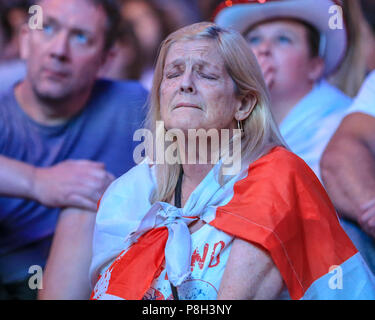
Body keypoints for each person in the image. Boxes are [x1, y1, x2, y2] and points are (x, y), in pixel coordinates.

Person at [89, 22, 375, 300]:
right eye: (173, 73)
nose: (185, 84)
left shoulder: (278, 177)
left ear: (243, 105)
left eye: (207, 75)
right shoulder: (126, 194)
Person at [0, 0, 147, 300]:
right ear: (25, 40)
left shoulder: (133, 105)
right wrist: (37, 181)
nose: (58, 51)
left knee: (88, 199)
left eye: (81, 37)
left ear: (105, 60)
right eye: (47, 28)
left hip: (101, 283)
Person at [213, 0, 352, 180]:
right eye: (254, 39)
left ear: (315, 66)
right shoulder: (231, 117)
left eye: (283, 39)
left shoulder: (337, 124)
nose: (264, 48)